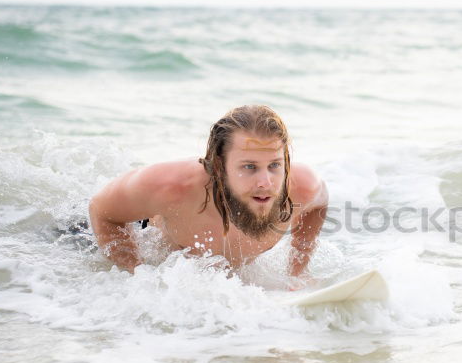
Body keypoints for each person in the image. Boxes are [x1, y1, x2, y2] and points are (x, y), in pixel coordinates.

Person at [89, 105, 327, 279]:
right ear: (219, 166)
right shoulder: (173, 187)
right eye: (249, 167)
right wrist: (139, 274)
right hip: (132, 231)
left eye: (274, 165)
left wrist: (298, 272)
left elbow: (319, 205)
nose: (266, 182)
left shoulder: (303, 187)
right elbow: (101, 211)